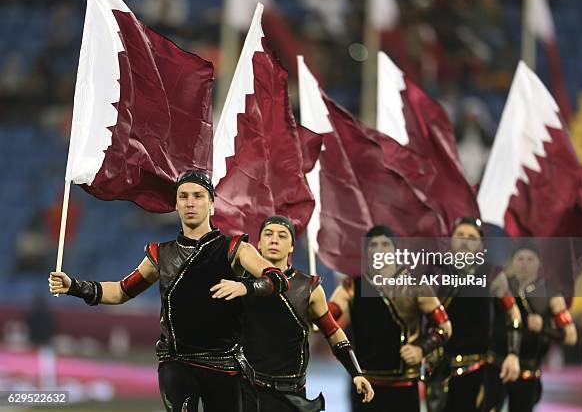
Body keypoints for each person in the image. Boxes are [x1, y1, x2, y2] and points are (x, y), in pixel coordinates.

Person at [49, 169, 289, 412]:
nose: (190, 202)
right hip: (177, 362)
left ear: (212, 204)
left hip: (224, 364)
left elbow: (277, 279)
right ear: (176, 205)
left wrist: (245, 286)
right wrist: (75, 287)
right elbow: (121, 291)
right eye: (183, 197)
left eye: (198, 196)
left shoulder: (236, 249)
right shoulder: (159, 255)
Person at [238, 215, 374, 411]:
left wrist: (356, 373)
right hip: (247, 391)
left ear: (292, 246)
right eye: (268, 235)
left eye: (282, 236)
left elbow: (333, 332)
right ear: (258, 243)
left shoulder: (308, 287)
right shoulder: (241, 284)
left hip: (290, 395)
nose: (274, 240)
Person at [329, 225, 452, 412]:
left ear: (395, 250)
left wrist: (421, 348)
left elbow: (444, 327)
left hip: (404, 385)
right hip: (366, 384)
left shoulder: (417, 285)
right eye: (373, 245)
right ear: (366, 252)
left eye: (385, 244)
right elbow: (327, 316)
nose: (379, 249)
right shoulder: (351, 286)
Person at [427, 217, 521, 412]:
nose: (464, 240)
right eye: (460, 235)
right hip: (437, 367)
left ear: (480, 246)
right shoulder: (435, 271)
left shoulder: (492, 274)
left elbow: (513, 313)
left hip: (476, 368)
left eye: (471, 237)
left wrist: (513, 354)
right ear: (450, 239)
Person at [492, 245, 577, 412]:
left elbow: (570, 336)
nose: (525, 263)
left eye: (530, 259)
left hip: (528, 370)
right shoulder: (502, 286)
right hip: (496, 366)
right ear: (513, 262)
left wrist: (544, 328)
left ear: (539, 264)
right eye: (520, 258)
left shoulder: (551, 294)